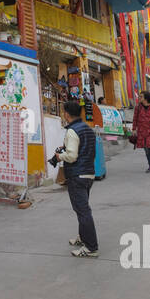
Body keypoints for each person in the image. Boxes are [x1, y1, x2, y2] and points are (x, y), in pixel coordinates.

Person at [52, 100, 100, 257]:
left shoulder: (72, 131)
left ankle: (91, 247)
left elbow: (72, 156)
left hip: (77, 175)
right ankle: (83, 238)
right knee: (82, 208)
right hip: (89, 174)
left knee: (83, 210)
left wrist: (60, 156)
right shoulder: (87, 128)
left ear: (67, 113)